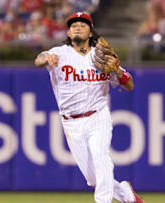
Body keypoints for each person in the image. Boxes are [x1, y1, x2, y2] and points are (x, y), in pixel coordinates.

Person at [34, 12, 143, 203]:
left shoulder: (100, 56)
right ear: (68, 32)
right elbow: (39, 59)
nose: (77, 27)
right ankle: (125, 193)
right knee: (93, 179)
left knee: (102, 159)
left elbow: (130, 84)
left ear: (90, 32)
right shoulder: (59, 53)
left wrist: (117, 70)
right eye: (73, 25)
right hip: (71, 123)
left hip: (97, 116)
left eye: (83, 25)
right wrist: (45, 57)